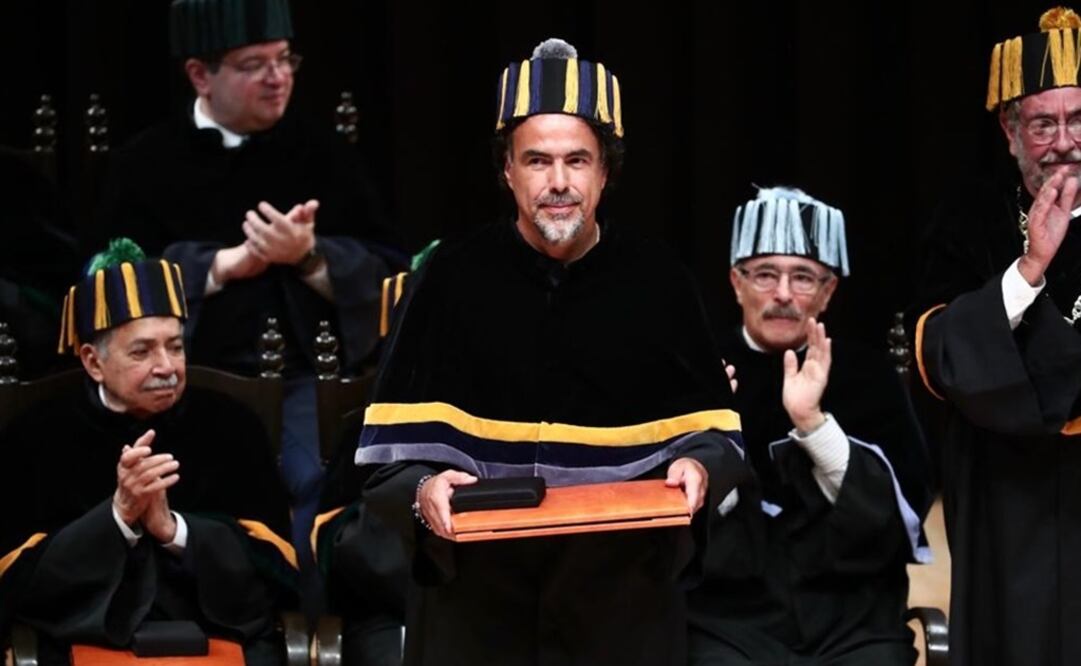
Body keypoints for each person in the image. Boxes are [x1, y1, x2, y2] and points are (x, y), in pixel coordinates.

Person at [351, 38, 751, 666]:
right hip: (479, 599)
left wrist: (700, 468)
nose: (558, 183)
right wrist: (423, 489)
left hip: (621, 598)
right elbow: (389, 464)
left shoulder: (659, 280)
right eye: (537, 161)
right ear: (507, 170)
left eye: (577, 161)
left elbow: (715, 437)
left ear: (606, 172)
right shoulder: (449, 278)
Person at [95, 0, 402, 582]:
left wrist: (310, 257)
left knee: (318, 480)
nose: (277, 77)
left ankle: (308, 615)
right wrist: (219, 266)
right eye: (254, 64)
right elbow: (102, 284)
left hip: (309, 383)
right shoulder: (145, 163)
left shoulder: (323, 152)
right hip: (190, 383)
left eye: (285, 59)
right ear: (199, 75)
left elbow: (393, 268)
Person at [0, 239, 296, 666]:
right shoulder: (36, 436)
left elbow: (278, 570)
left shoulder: (232, 426)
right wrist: (118, 517)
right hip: (85, 636)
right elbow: (19, 584)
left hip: (217, 632)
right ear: (92, 361)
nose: (167, 366)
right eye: (142, 351)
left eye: (175, 346)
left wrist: (174, 530)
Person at [687, 187, 932, 665]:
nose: (782, 294)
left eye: (803, 277)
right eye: (764, 275)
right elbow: (671, 523)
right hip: (729, 621)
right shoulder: (703, 372)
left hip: (854, 621)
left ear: (828, 292)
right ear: (736, 283)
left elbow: (900, 509)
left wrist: (813, 425)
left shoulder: (870, 375)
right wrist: (717, 438)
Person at [911, 7, 1081, 665]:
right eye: (1042, 123)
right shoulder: (968, 221)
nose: (1063, 141)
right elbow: (937, 357)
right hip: (1006, 502)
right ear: (1010, 130)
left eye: (1076, 119)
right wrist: (1026, 271)